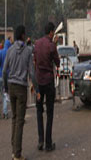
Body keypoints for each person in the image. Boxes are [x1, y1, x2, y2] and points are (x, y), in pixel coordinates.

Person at [3, 25, 40, 160]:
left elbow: (4, 70)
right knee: (20, 121)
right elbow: (32, 73)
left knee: (14, 118)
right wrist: (36, 88)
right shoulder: (27, 51)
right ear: (23, 36)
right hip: (21, 88)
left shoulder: (10, 50)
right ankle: (17, 154)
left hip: (11, 86)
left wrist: (6, 87)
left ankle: (14, 148)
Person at [34, 22, 60, 152]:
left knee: (39, 112)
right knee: (50, 113)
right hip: (49, 81)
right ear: (51, 32)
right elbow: (57, 62)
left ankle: (40, 140)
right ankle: (48, 144)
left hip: (39, 82)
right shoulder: (51, 45)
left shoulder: (37, 43)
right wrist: (55, 44)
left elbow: (35, 60)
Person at [0, 39, 11, 119]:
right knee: (5, 94)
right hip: (8, 77)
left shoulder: (1, 52)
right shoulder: (10, 53)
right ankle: (5, 113)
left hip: (0, 75)